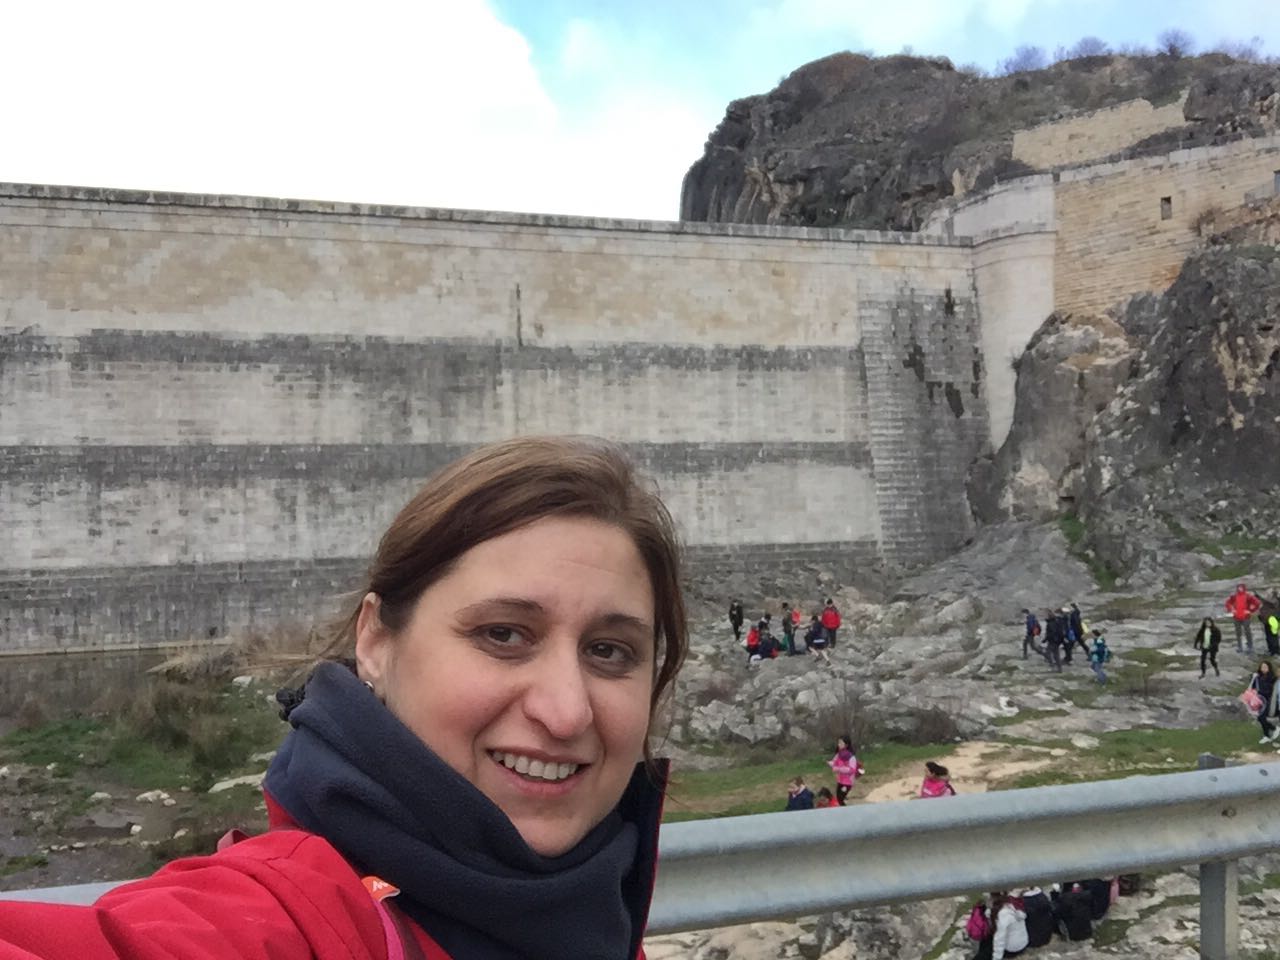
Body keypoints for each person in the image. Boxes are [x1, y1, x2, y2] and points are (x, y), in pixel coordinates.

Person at [0, 436, 689, 960]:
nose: (566, 711)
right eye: (503, 634)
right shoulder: (287, 917)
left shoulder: (597, 917)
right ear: (376, 641)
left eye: (609, 651)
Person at [984, 891, 1029, 960]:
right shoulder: (1012, 905)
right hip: (1023, 943)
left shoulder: (1003, 915)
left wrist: (996, 958)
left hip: (1012, 949)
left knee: (986, 946)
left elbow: (999, 939)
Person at [1249, 658, 1280, 743]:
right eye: (1262, 667)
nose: (1263, 669)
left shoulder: (1272, 678)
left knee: (1261, 717)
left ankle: (1272, 730)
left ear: (1269, 668)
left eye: (1265, 667)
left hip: (1269, 701)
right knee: (1260, 718)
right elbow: (1253, 688)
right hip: (1260, 701)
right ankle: (1268, 734)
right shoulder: (1257, 677)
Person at [1226, 582, 1262, 652]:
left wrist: (1250, 610)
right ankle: (1239, 647)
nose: (1240, 589)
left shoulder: (1248, 596)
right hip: (1236, 617)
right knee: (1238, 632)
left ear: (1244, 588)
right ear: (1237, 588)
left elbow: (1257, 603)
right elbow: (1228, 603)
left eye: (1241, 587)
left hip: (1246, 617)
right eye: (1239, 587)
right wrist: (1231, 609)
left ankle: (1250, 646)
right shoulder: (1234, 596)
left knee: (1247, 631)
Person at [828, 735, 858, 806]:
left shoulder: (851, 757)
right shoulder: (838, 754)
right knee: (839, 799)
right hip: (840, 781)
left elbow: (852, 769)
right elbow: (834, 762)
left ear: (846, 745)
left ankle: (846, 810)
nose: (839, 744)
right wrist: (830, 763)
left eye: (841, 743)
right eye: (838, 742)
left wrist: (838, 769)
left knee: (840, 799)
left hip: (847, 782)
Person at [1042, 607, 1064, 673]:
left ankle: (1052, 666)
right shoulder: (1056, 622)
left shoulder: (1050, 624)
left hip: (1052, 641)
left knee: (1047, 653)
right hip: (1057, 641)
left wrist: (1045, 639)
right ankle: (1059, 669)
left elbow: (1051, 633)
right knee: (1056, 655)